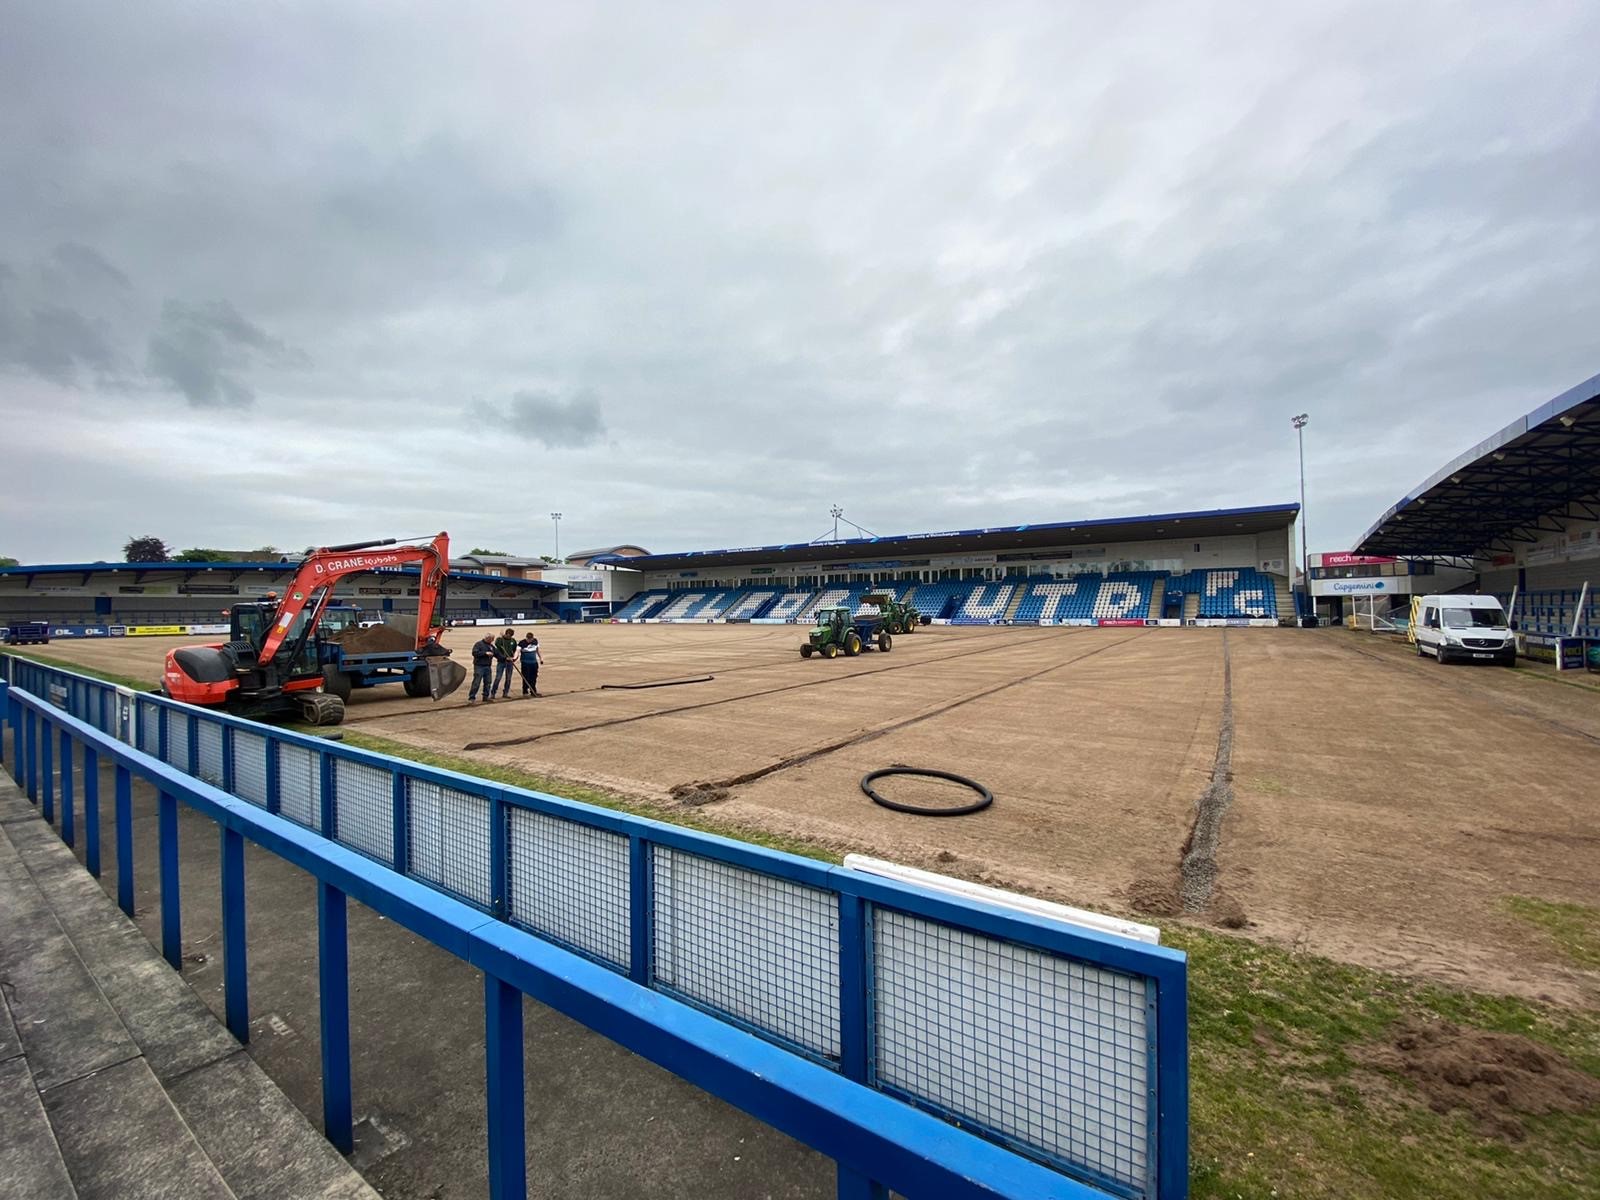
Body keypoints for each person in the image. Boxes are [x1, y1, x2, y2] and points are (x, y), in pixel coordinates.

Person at [468, 632, 497, 703]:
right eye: (492, 639)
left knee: (488, 682)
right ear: (488, 638)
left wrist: (505, 658)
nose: (492, 641)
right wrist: (485, 653)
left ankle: (485, 696)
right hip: (479, 666)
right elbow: (474, 653)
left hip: (487, 666)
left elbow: (497, 653)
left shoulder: (491, 646)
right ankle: (472, 697)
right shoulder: (478, 644)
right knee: (476, 682)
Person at [493, 626, 519, 697]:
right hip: (501, 661)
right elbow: (497, 644)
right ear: (506, 634)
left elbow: (514, 650)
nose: (509, 637)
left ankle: (505, 693)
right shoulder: (500, 640)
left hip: (510, 662)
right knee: (498, 678)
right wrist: (500, 637)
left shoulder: (513, 641)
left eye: (510, 636)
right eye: (508, 635)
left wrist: (514, 658)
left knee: (508, 678)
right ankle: (493, 693)